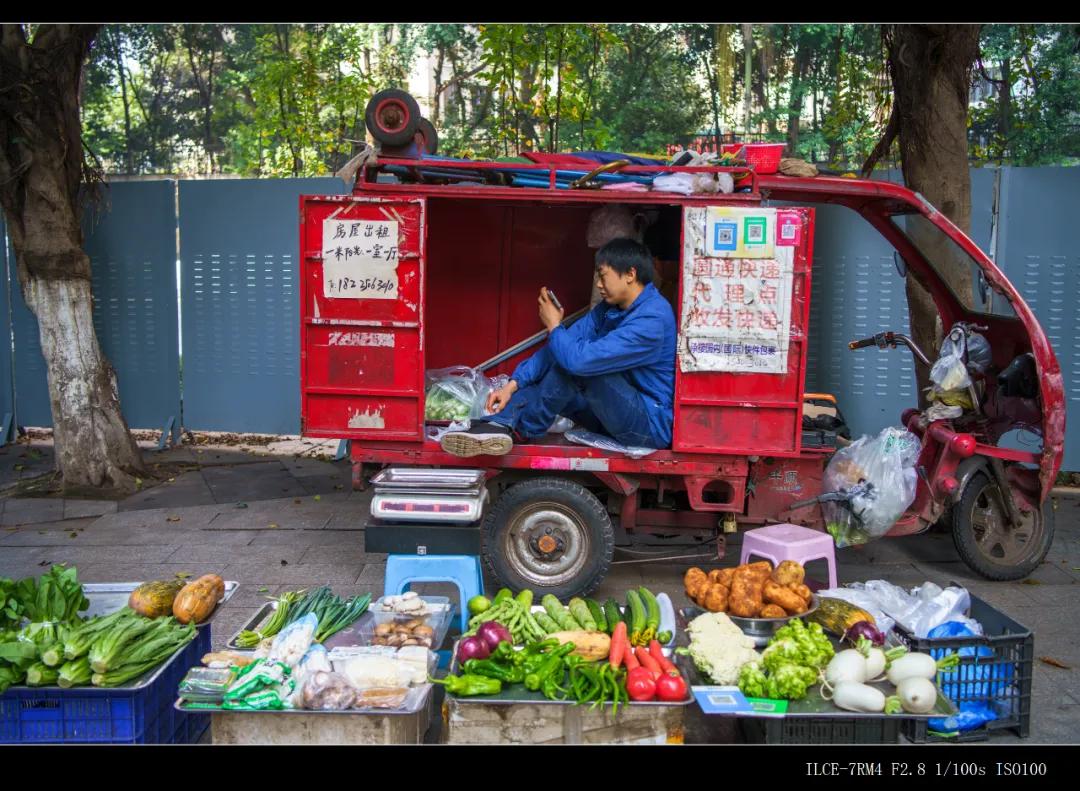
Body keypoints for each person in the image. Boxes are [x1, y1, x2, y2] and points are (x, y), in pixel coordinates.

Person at [440, 238, 677, 458]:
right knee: (556, 361)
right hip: (612, 412)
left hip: (646, 425)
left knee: (573, 368)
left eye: (603, 276)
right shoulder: (608, 309)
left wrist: (554, 326)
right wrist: (513, 385)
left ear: (630, 274)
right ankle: (498, 425)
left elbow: (578, 362)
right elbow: (559, 347)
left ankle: (522, 430)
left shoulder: (652, 319)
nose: (598, 284)